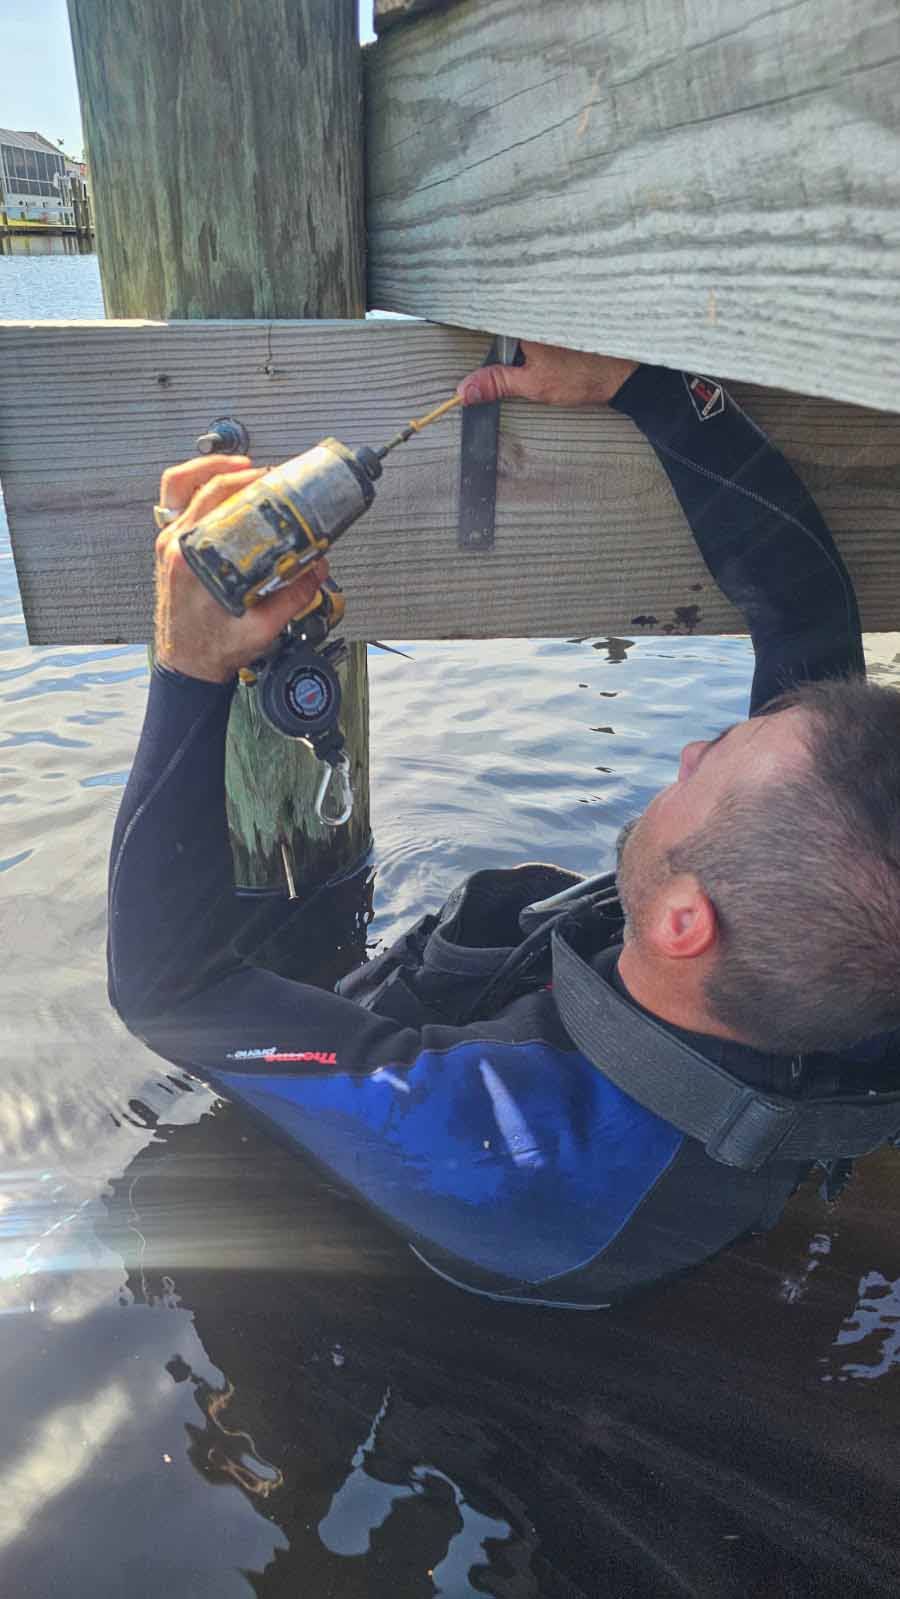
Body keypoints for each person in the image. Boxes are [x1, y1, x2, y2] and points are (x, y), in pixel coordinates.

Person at [108, 345, 900, 1308]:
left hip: (492, 1248)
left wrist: (188, 666)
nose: (694, 750)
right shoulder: (848, 917)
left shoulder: (508, 1151)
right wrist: (641, 386)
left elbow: (168, 990)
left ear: (684, 922)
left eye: (714, 763)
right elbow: (806, 614)